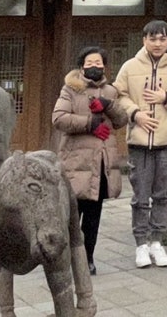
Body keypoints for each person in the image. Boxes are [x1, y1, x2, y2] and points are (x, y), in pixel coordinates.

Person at [114, 20, 167, 268]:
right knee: (140, 196)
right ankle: (141, 244)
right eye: (152, 39)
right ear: (144, 40)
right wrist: (135, 114)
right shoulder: (130, 66)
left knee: (163, 195)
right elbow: (118, 95)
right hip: (139, 142)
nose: (157, 44)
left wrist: (166, 96)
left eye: (162, 39)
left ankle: (157, 242)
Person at [52, 46, 128, 275]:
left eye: (98, 63)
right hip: (76, 163)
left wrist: (109, 106)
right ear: (82, 66)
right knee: (71, 215)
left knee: (93, 217)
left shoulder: (110, 91)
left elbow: (121, 120)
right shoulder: (70, 89)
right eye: (90, 63)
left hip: (102, 162)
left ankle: (87, 259)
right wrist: (89, 123)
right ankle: (64, 258)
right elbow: (59, 118)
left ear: (104, 66)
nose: (94, 66)